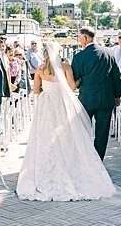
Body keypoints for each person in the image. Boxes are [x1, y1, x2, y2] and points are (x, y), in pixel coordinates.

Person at [17, 42, 115, 201]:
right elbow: (71, 87)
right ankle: (70, 168)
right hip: (62, 103)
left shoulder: (40, 69)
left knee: (45, 136)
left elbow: (35, 90)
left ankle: (45, 171)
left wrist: (46, 90)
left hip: (46, 104)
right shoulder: (65, 68)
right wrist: (80, 80)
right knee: (67, 136)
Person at [71, 26, 121, 160]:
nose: (80, 41)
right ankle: (98, 160)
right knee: (102, 132)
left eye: (80, 38)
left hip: (87, 98)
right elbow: (116, 76)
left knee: (84, 130)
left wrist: (81, 80)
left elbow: (74, 79)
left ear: (85, 38)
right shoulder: (109, 53)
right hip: (106, 98)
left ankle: (86, 159)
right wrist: (117, 95)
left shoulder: (79, 57)